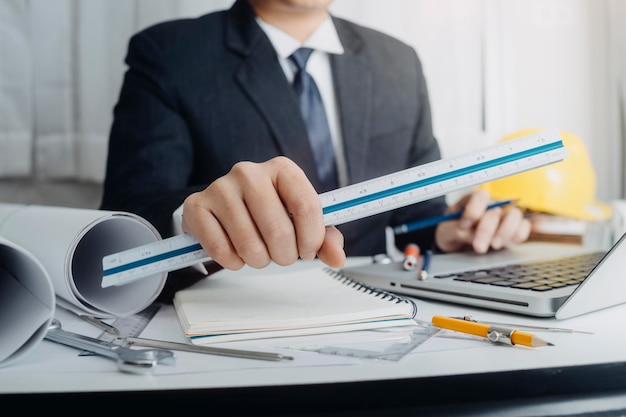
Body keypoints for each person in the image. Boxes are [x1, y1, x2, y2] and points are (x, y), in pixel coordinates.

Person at [100, 0, 530, 274]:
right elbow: (128, 216)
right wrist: (194, 219)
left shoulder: (398, 62)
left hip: (379, 312)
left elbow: (414, 218)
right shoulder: (170, 53)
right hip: (237, 316)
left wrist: (454, 229)